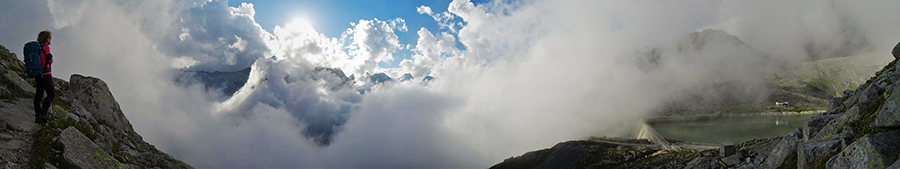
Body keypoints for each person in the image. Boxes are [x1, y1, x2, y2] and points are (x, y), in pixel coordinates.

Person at [34, 30, 54, 123]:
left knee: (39, 94)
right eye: (50, 37)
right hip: (46, 74)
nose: (51, 39)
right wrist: (50, 60)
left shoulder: (37, 48)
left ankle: (38, 114)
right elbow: (49, 59)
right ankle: (44, 113)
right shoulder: (46, 47)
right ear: (47, 39)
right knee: (51, 94)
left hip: (38, 74)